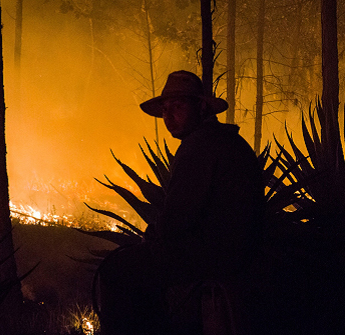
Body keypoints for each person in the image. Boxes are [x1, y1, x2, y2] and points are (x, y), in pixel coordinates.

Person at [98, 70, 264, 335]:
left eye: (177, 106)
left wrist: (152, 236)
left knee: (117, 271)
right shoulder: (229, 140)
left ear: (200, 106)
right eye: (165, 109)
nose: (168, 116)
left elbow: (178, 217)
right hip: (241, 249)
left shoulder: (199, 146)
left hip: (215, 254)